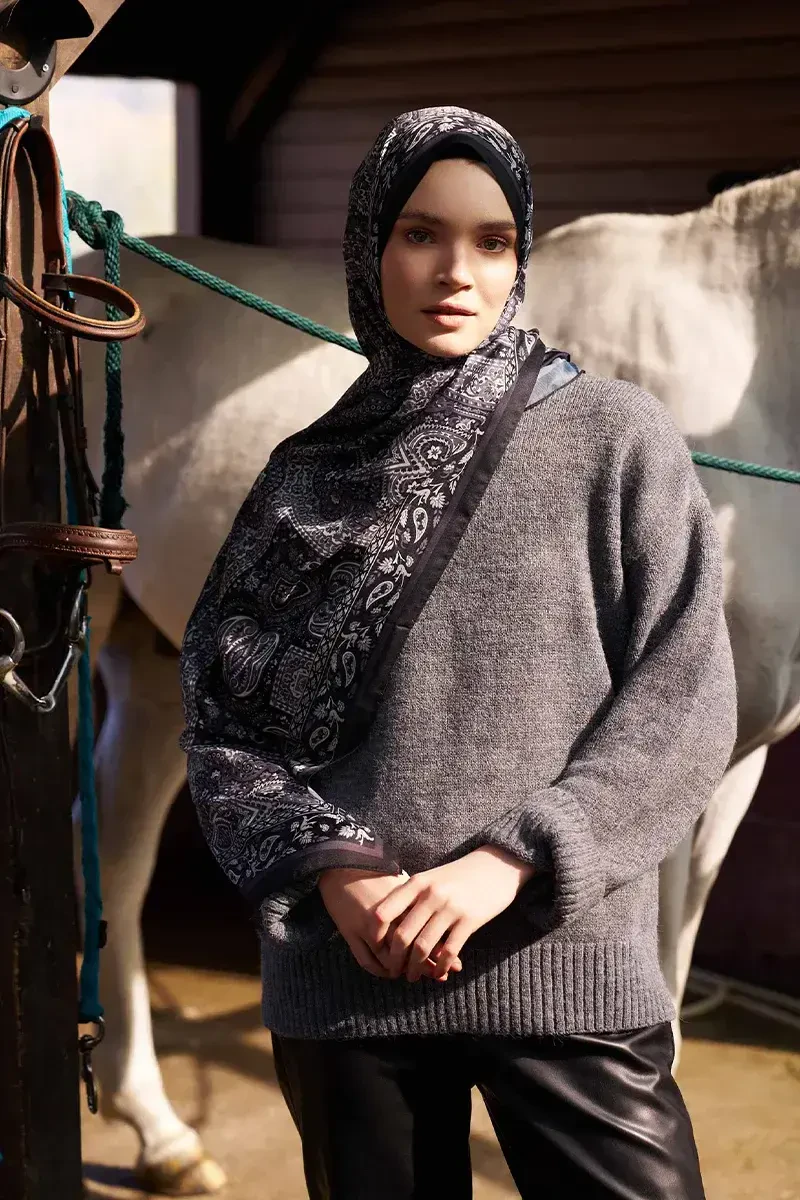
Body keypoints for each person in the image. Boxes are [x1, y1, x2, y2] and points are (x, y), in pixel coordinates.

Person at [179, 106, 737, 1199]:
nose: (456, 272)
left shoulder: (616, 435)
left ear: (520, 261)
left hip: (561, 958)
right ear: (367, 247)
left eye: (493, 242)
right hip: (350, 971)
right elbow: (226, 722)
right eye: (420, 234)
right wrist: (339, 875)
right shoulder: (304, 474)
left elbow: (684, 699)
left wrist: (510, 862)